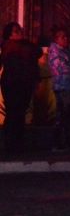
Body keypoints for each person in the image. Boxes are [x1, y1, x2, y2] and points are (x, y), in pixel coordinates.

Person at [1, 22, 42, 154]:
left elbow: (36, 56)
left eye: (19, 29)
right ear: (9, 34)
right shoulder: (7, 46)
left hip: (24, 84)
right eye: (15, 31)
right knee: (13, 113)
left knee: (19, 113)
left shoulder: (26, 46)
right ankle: (11, 144)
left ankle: (16, 144)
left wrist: (36, 80)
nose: (19, 32)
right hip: (12, 84)